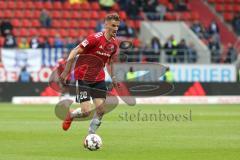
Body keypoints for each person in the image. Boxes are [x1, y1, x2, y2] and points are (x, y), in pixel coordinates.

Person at [59, 13, 120, 136]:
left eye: (117, 26)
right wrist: (66, 71)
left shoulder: (114, 44)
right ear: (106, 25)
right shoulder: (94, 39)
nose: (116, 29)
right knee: (86, 112)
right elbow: (74, 51)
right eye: (113, 25)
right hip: (84, 78)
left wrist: (113, 77)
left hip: (99, 78)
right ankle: (71, 114)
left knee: (101, 110)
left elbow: (110, 62)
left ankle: (90, 135)